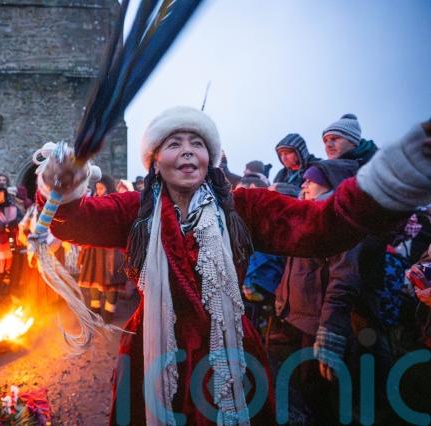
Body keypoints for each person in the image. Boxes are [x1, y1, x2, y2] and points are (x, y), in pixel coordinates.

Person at [38, 106, 430, 425]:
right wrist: (61, 188)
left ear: (211, 158)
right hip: (151, 355)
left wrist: (392, 176)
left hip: (231, 352)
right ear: (155, 161)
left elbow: (323, 227)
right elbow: (71, 221)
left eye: (197, 143)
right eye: (174, 143)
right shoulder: (134, 210)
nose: (188, 151)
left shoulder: (244, 207)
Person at [269, 159, 361, 423]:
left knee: (318, 398)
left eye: (312, 179)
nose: (304, 183)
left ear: (331, 184)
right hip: (291, 318)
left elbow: (343, 280)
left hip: (315, 325)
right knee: (292, 391)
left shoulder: (340, 221)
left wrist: (330, 329)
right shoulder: (306, 215)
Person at [77, 175, 126, 323]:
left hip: (111, 249)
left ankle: (109, 314)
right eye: (97, 188)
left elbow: (119, 223)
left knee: (111, 281)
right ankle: (95, 311)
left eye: (101, 188)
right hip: (94, 248)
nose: (98, 191)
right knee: (94, 278)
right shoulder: (92, 201)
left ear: (108, 187)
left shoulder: (115, 203)